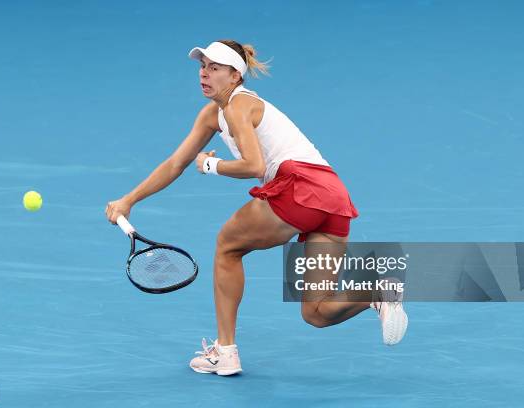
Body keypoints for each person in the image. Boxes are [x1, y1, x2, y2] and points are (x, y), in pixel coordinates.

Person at [105, 39, 408, 376]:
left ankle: (225, 351)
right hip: (333, 198)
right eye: (202, 67)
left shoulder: (238, 106)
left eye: (214, 68)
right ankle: (376, 292)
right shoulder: (212, 115)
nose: (204, 74)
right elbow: (176, 163)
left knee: (227, 246)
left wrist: (210, 166)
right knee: (317, 313)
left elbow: (252, 164)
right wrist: (129, 199)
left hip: (299, 189)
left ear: (235, 75)